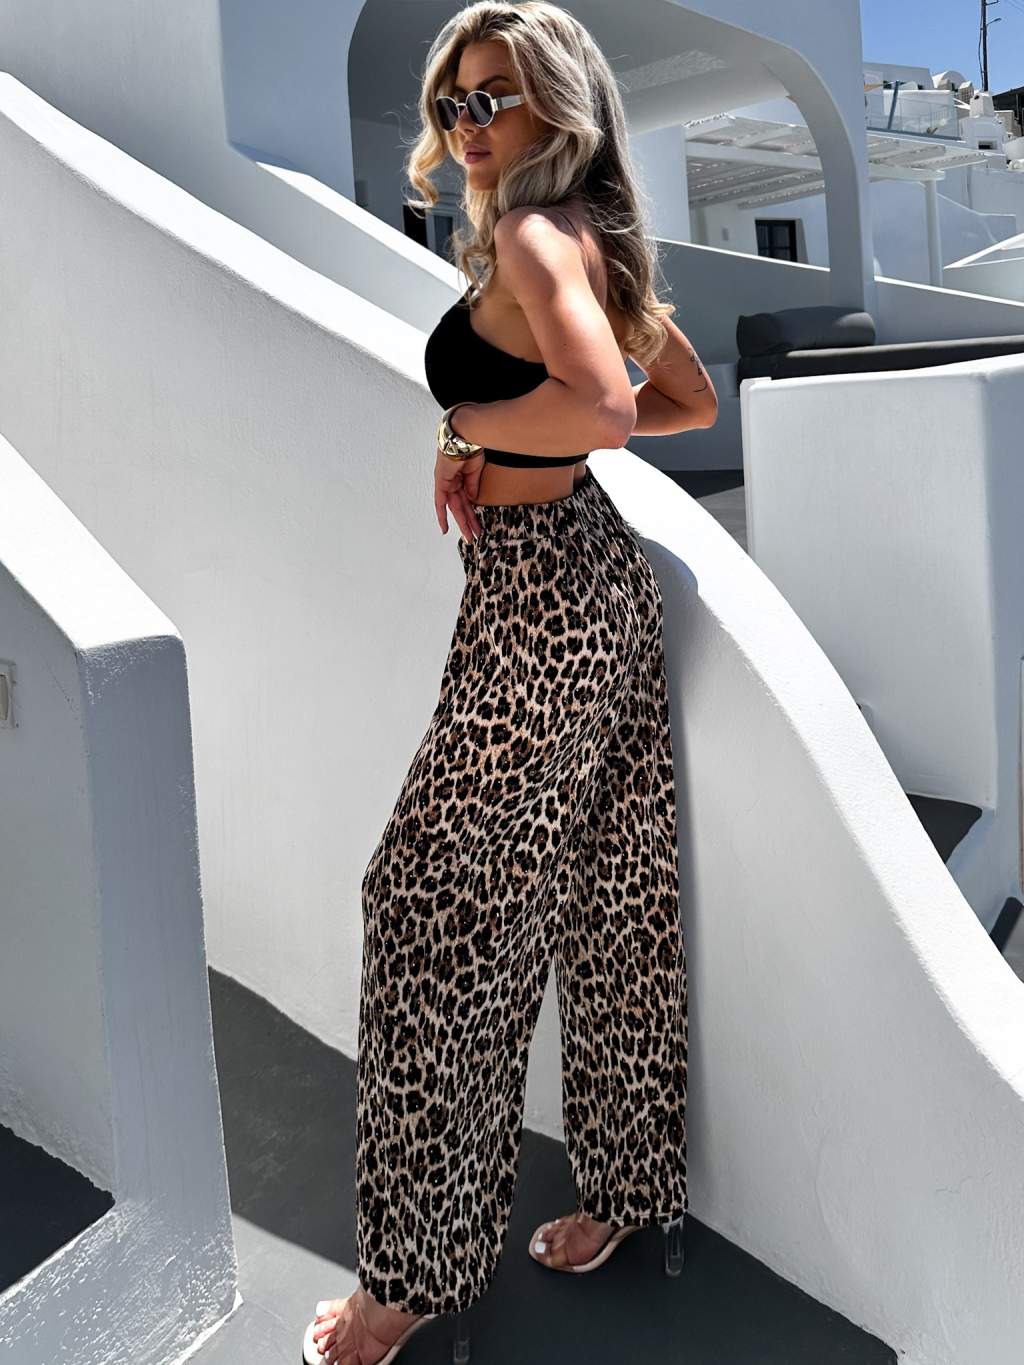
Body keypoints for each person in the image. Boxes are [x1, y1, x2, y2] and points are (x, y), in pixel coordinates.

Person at [304, 3, 717, 1361]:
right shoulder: (589, 239)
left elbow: (605, 407)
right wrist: (519, 437)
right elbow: (688, 402)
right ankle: (625, 1195)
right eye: (453, 103)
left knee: (428, 912)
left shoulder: (541, 238)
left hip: (544, 604)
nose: (468, 125)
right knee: (607, 892)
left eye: (496, 97)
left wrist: (469, 424)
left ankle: (409, 1278)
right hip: (585, 582)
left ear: (558, 107)